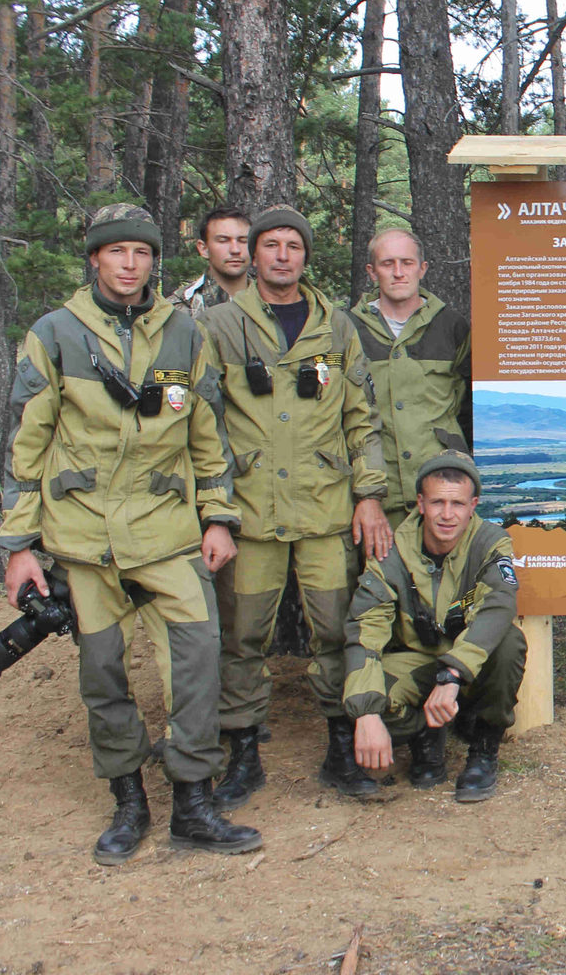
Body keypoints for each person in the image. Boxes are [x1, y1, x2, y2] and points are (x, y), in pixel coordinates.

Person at [0, 204, 261, 863]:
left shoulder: (182, 333)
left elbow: (209, 435)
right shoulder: (55, 334)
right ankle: (128, 803)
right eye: (115, 252)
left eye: (140, 253)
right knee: (103, 673)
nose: (128, 264)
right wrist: (19, 548)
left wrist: (218, 516)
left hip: (167, 532)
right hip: (85, 539)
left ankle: (195, 806)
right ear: (95, 259)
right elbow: (26, 447)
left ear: (153, 261)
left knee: (198, 661)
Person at [198, 205, 393, 805]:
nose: (283, 255)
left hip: (324, 510)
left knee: (335, 631)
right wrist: (214, 512)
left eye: (294, 246)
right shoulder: (220, 326)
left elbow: (362, 418)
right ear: (252, 256)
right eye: (271, 245)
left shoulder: (336, 327)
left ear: (306, 257)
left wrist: (370, 497)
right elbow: (204, 424)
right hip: (251, 514)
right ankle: (244, 752)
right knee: (243, 637)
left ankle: (341, 745)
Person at [344, 452, 527, 802]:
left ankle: (483, 749)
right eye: (437, 502)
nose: (447, 514)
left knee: (507, 642)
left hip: (466, 666)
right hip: (417, 660)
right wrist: (366, 712)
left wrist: (453, 675)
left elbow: (498, 604)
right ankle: (427, 732)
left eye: (457, 503)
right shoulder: (390, 551)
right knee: (357, 688)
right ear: (420, 503)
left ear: (473, 504)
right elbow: (365, 628)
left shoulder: (490, 543)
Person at [345, 228, 473, 526]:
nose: (398, 272)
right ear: (372, 272)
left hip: (441, 490)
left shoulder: (451, 327)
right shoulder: (348, 329)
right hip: (376, 492)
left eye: (407, 263)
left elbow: (469, 408)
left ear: (422, 268)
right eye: (388, 264)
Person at [168, 206, 251, 319]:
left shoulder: (270, 302)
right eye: (223, 241)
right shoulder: (176, 309)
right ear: (204, 249)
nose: (235, 250)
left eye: (243, 241)